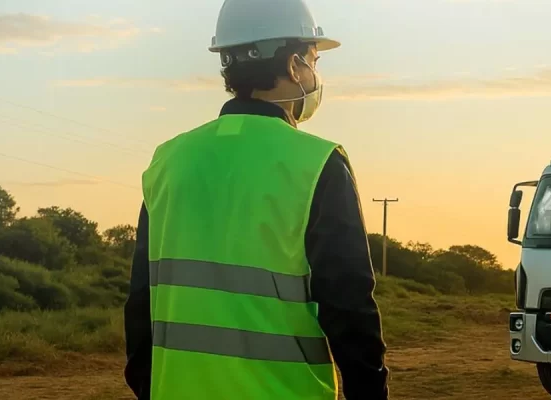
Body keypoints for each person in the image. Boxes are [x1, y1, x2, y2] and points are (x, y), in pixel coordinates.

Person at [122, 0, 389, 398]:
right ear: (293, 65)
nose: (315, 75)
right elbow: (349, 306)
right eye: (314, 60)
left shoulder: (168, 160)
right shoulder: (318, 164)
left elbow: (141, 301)